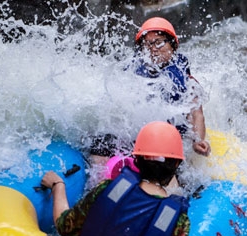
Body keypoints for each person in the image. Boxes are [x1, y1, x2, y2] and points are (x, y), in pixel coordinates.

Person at [42, 121, 190, 236]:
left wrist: (58, 186)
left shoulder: (107, 188)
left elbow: (65, 227)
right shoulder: (178, 220)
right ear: (176, 164)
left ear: (136, 159)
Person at [89, 17, 211, 167]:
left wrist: (198, 140)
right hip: (140, 137)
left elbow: (196, 114)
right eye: (147, 45)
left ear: (172, 45)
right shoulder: (131, 73)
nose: (153, 49)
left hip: (169, 140)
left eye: (159, 42)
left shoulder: (187, 81)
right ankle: (104, 183)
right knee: (99, 144)